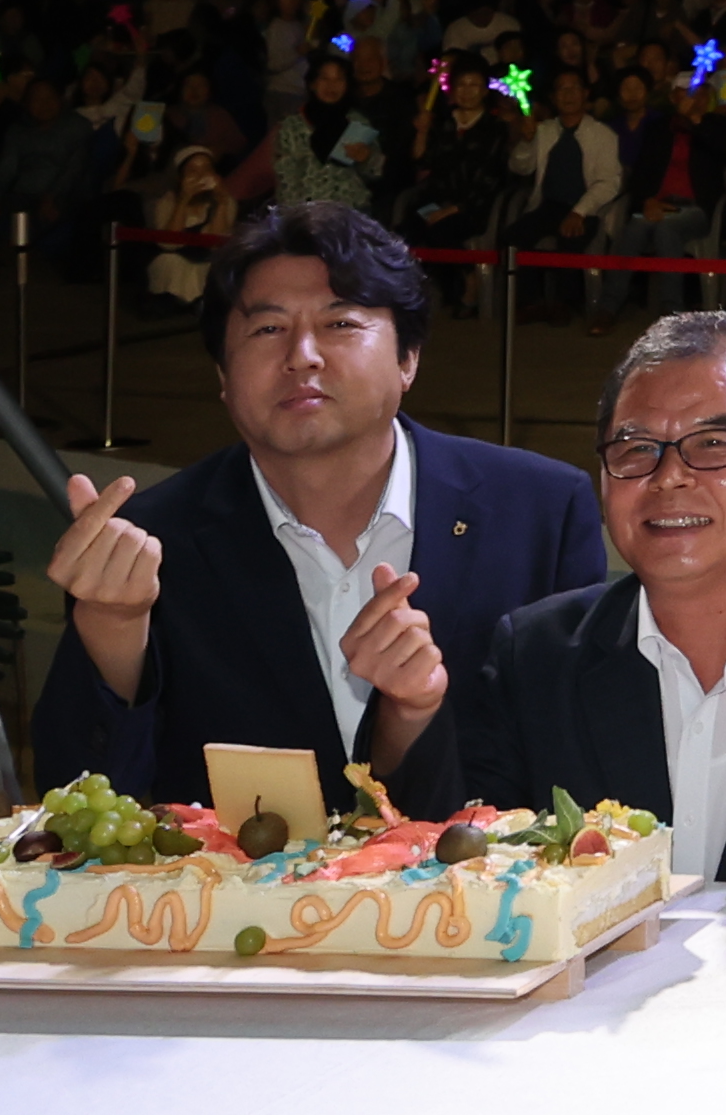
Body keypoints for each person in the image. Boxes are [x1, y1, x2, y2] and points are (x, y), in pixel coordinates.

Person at [31, 206, 608, 814]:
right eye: (267, 329)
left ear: (408, 358)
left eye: (340, 323)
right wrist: (112, 630)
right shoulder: (149, 542)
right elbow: (75, 803)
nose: (302, 355)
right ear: (223, 376)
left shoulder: (539, 511)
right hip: (237, 908)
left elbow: (572, 770)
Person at [451, 310, 726, 892]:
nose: (668, 476)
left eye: (714, 443)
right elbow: (469, 858)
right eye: (636, 448)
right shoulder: (536, 658)